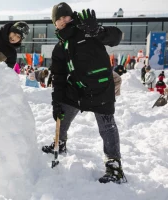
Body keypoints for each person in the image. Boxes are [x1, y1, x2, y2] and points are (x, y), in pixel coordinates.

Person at [42, 3, 126, 184]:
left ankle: (114, 165)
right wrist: (56, 101)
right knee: (63, 115)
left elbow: (116, 37)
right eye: (59, 19)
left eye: (66, 17)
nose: (64, 21)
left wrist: (98, 31)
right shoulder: (59, 47)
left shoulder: (88, 30)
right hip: (77, 90)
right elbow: (58, 77)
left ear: (71, 17)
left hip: (101, 88)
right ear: (55, 24)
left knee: (107, 126)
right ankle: (60, 143)